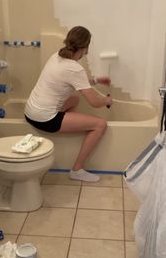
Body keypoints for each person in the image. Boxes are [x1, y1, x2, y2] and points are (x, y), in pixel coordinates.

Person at [24, 26, 112, 182]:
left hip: (30, 112)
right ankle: (77, 170)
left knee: (75, 99)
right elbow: (94, 102)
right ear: (85, 48)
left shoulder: (56, 56)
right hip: (45, 119)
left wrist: (96, 81)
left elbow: (73, 80)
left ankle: (69, 124)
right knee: (100, 124)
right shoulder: (75, 68)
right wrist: (107, 100)